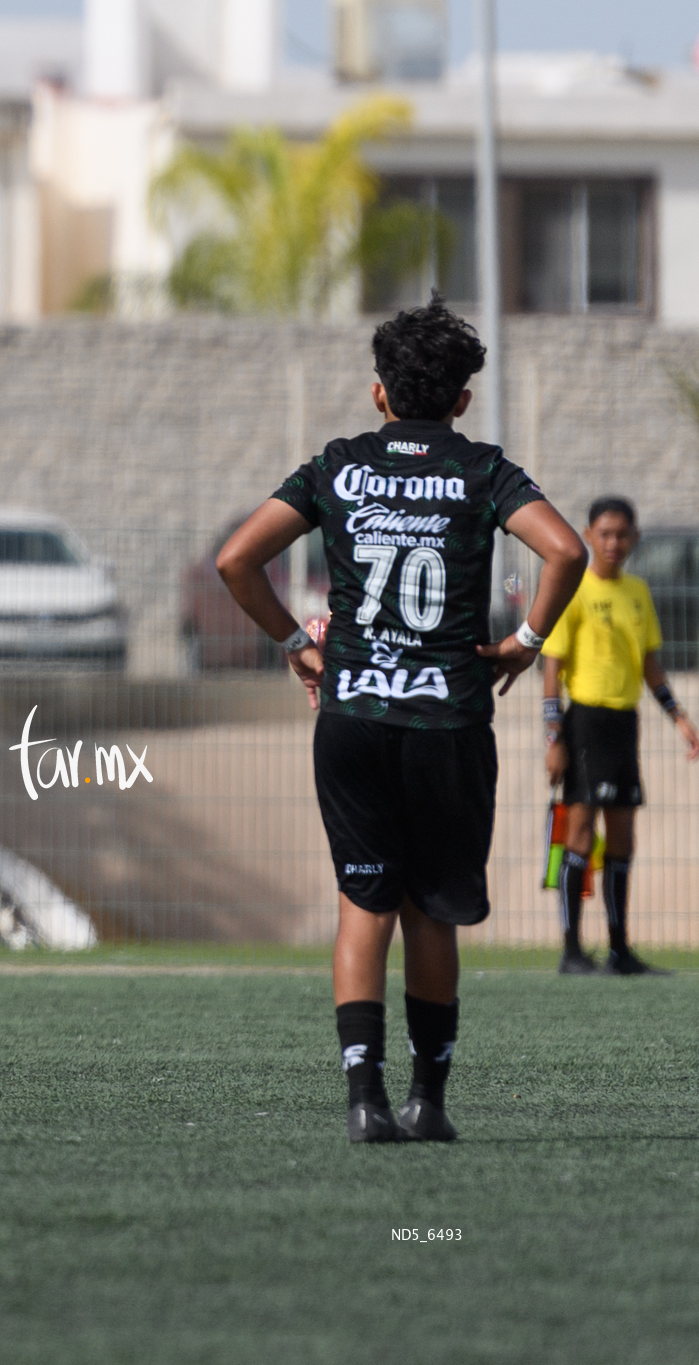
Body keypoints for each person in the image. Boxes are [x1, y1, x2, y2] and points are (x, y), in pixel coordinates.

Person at [217, 298, 586, 1144]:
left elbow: (237, 559)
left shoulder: (338, 466)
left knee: (362, 904)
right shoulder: (482, 469)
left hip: (353, 717)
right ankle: (428, 1101)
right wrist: (527, 641)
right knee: (430, 913)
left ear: (379, 392)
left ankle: (363, 1102)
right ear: (462, 399)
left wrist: (292, 644)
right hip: (449, 720)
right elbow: (566, 551)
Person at [542, 496, 698, 976]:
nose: (613, 542)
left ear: (634, 539)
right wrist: (554, 735)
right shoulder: (575, 591)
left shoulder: (638, 592)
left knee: (624, 837)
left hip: (624, 725)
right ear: (588, 535)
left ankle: (619, 950)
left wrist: (678, 716)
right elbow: (553, 667)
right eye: (604, 533)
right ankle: (571, 951)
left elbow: (650, 664)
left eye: (622, 534)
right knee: (581, 835)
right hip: (585, 722)